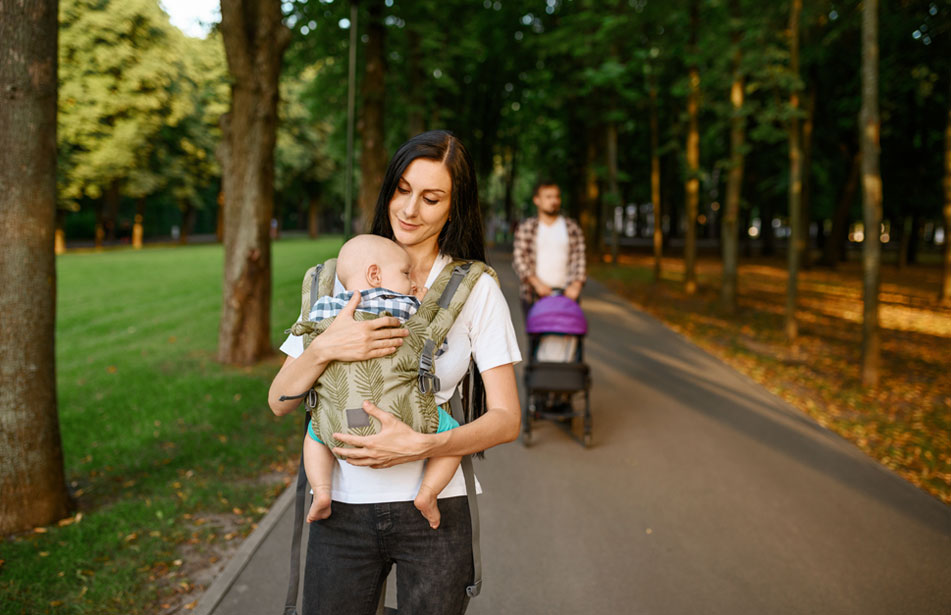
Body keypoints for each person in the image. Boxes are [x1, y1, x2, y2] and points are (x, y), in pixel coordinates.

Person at [268, 130, 521, 615]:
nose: (409, 210)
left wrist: (425, 445)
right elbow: (279, 402)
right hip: (339, 508)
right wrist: (324, 349)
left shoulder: (474, 289)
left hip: (435, 514)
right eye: (402, 189)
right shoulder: (338, 281)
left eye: (431, 198)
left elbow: (507, 419)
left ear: (455, 206)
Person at [300, 233, 462, 530]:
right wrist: (421, 301)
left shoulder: (322, 308)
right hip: (404, 414)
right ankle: (427, 494)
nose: (412, 282)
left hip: (338, 419)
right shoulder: (403, 305)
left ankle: (322, 492)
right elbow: (434, 345)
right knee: (452, 437)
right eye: (405, 273)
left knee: (314, 434)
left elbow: (309, 337)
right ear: (375, 274)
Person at [512, 179, 587, 317]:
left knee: (571, 336)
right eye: (548, 197)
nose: (554, 201)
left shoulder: (572, 228)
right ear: (537, 200)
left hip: (567, 297)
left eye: (557, 196)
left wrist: (576, 285)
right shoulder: (526, 228)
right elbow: (519, 260)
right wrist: (537, 284)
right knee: (536, 337)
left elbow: (580, 259)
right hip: (534, 296)